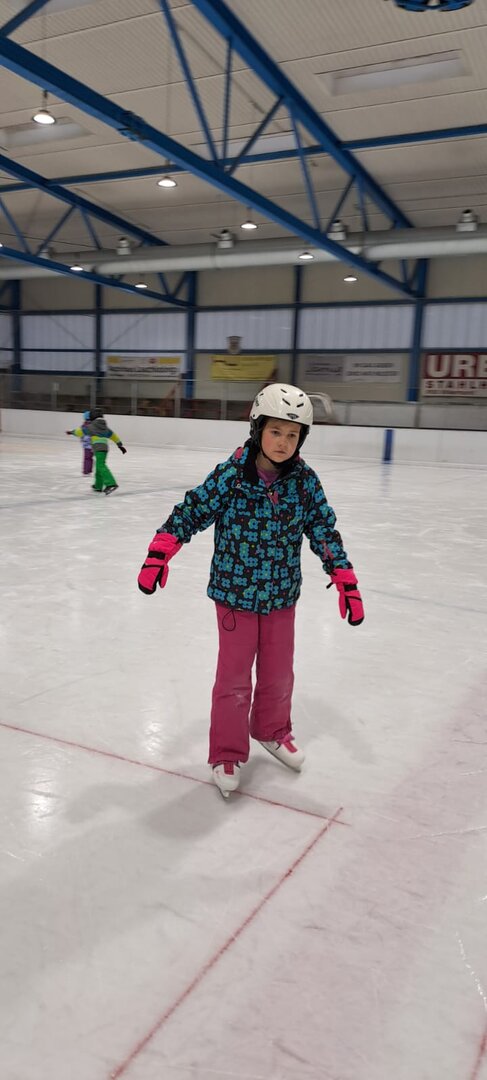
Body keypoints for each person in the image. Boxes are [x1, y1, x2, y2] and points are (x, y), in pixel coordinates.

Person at [137, 383, 364, 799]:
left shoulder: (304, 482)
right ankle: (226, 751)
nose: (283, 442)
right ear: (258, 429)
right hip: (234, 596)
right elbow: (193, 509)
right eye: (275, 431)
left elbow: (323, 531)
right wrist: (161, 550)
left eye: (292, 434)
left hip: (281, 595)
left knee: (279, 673)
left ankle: (272, 730)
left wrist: (344, 578)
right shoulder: (232, 476)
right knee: (234, 679)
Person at [66, 408, 127, 493]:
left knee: (101, 465)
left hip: (98, 447)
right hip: (104, 448)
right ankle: (98, 486)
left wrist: (72, 432)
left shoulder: (91, 426)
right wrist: (120, 445)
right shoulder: (105, 427)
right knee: (99, 467)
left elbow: (80, 431)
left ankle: (111, 483)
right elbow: (113, 436)